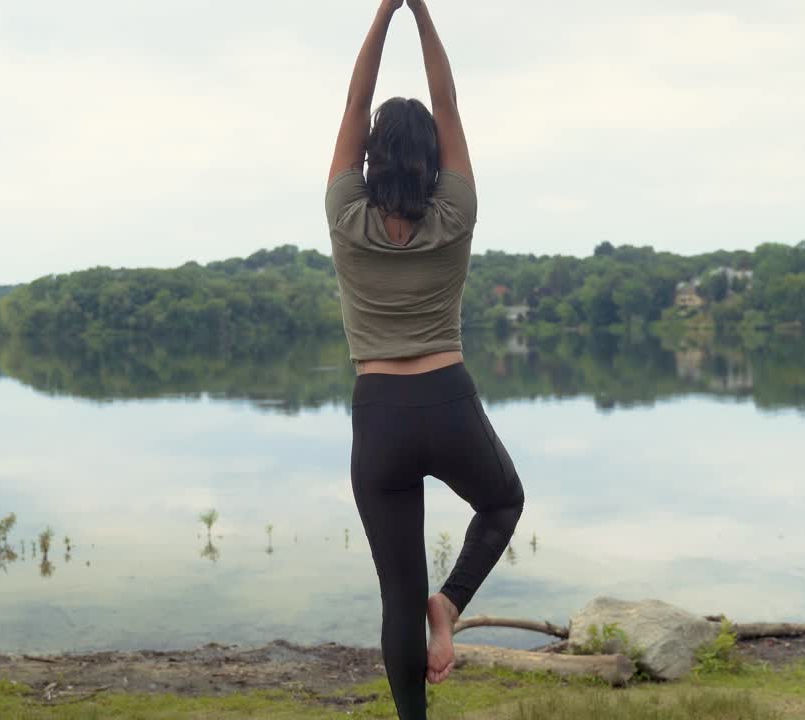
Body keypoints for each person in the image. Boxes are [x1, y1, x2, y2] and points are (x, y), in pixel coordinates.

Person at [323, 1, 526, 718]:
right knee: (502, 502)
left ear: (372, 158)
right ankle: (450, 605)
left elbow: (354, 100)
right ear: (434, 157)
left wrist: (382, 11)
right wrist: (421, 12)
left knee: (393, 596)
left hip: (377, 416)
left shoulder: (347, 215)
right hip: (446, 397)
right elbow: (448, 99)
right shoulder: (455, 215)